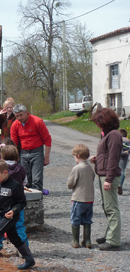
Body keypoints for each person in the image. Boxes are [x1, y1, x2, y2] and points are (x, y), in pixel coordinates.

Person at [90, 108, 122, 251]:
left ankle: (113, 240)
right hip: (104, 174)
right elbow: (107, 155)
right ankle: (109, 235)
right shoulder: (107, 134)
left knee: (111, 208)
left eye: (98, 121)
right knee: (107, 207)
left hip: (109, 176)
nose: (97, 124)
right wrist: (97, 160)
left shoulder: (114, 135)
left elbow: (114, 159)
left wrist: (109, 179)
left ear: (105, 121)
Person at [0, 145, 29, 257]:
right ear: (17, 157)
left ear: (2, 157)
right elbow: (25, 182)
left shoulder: (1, 169)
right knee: (19, 227)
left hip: (2, 204)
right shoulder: (22, 169)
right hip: (17, 205)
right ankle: (23, 250)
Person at [10, 104, 52, 192]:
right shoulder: (15, 125)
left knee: (37, 178)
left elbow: (47, 139)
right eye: (17, 116)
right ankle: (27, 198)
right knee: (25, 177)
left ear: (26, 113)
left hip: (37, 151)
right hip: (23, 152)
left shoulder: (37, 121)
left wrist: (46, 157)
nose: (19, 118)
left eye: (21, 115)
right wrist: (13, 158)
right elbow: (13, 143)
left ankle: (38, 198)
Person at [67, 143, 95, 249]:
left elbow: (70, 184)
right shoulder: (90, 168)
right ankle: (87, 240)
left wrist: (69, 184)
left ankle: (75, 241)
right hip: (89, 199)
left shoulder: (77, 168)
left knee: (75, 218)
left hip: (78, 198)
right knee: (87, 219)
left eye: (74, 156)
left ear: (78, 156)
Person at [118, 128, 130, 195]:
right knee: (122, 170)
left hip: (118, 154)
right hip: (125, 155)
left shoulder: (118, 139)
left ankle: (113, 183)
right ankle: (120, 184)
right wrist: (127, 151)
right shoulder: (128, 140)